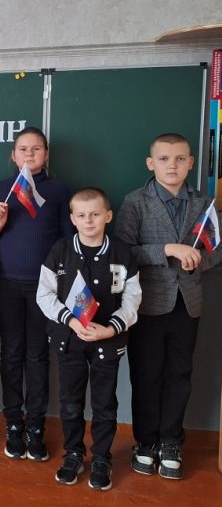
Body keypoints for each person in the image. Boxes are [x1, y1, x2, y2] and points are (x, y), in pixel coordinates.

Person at [116, 133, 222, 480]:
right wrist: (168, 250)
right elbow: (125, 252)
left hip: (187, 303)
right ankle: (146, 442)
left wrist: (199, 261)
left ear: (191, 162)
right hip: (147, 304)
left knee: (180, 374)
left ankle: (171, 442)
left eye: (179, 159)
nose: (172, 165)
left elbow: (216, 250)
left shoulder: (205, 203)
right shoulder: (136, 202)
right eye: (164, 159)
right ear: (151, 163)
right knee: (146, 375)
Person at [37, 187, 141, 491]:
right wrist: (70, 320)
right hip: (69, 339)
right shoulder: (60, 250)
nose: (89, 221)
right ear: (72, 219)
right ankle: (73, 453)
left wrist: (111, 329)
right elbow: (44, 294)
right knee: (70, 402)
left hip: (107, 340)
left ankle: (101, 458)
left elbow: (133, 297)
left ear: (108, 216)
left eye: (95, 214)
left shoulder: (122, 253)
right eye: (81, 215)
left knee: (104, 403)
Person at [0, 126, 73, 461]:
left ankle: (35, 426)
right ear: (13, 155)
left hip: (44, 289)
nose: (29, 154)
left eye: (36, 149)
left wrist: (61, 283)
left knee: (37, 356)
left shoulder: (59, 191)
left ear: (46, 154)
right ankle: (13, 424)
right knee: (11, 353)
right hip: (5, 285)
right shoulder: (0, 190)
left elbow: (67, 240)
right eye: (23, 149)